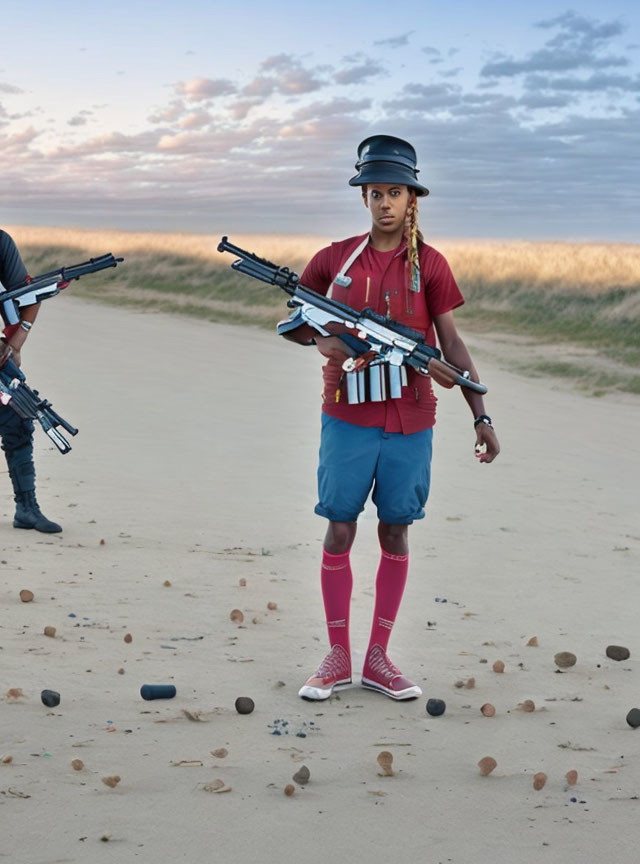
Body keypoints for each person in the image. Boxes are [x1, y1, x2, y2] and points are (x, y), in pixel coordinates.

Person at [283, 135, 499, 701]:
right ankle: (337, 656)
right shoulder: (334, 258)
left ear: (411, 199)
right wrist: (326, 343)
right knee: (339, 526)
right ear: (364, 198)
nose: (383, 202)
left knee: (396, 529)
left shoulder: (430, 264)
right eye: (374, 192)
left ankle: (378, 658)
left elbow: (450, 341)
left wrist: (481, 413)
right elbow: (295, 321)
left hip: (412, 417)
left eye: (394, 192)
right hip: (347, 415)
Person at [0, 229, 62, 533]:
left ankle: (27, 509)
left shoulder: (0, 243)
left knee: (18, 417)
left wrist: (16, 339)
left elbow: (27, 294)